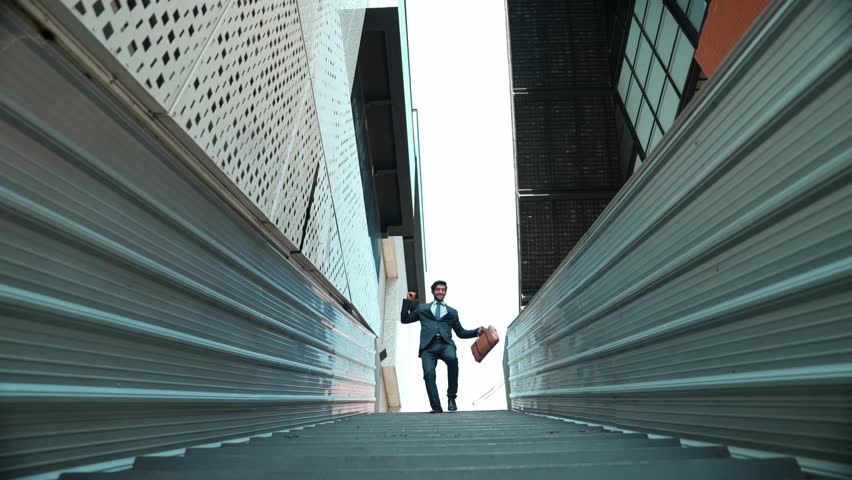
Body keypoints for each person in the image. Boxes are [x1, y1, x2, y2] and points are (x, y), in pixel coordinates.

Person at [401, 280, 484, 413]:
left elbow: (461, 333)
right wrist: (408, 301)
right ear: (433, 291)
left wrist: (476, 331)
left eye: (443, 289)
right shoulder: (423, 309)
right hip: (428, 347)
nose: (440, 291)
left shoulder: (452, 312)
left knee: (452, 359)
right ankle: (436, 407)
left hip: (446, 345)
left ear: (445, 292)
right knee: (429, 374)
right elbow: (405, 319)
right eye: (438, 289)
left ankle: (451, 398)